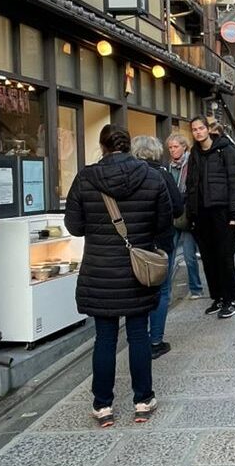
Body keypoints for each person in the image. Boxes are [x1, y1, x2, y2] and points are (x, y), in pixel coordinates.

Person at [65, 124, 171, 426]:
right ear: (128, 146)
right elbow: (164, 224)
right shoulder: (152, 176)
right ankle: (142, 400)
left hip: (100, 271)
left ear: (103, 147)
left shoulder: (86, 178)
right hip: (138, 270)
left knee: (105, 337)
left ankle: (103, 405)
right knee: (139, 334)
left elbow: (74, 226)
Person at [186, 117, 235, 319]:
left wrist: (234, 213)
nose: (198, 132)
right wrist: (191, 213)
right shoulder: (194, 153)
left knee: (224, 256)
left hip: (222, 211)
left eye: (201, 128)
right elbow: (191, 184)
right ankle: (217, 297)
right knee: (209, 258)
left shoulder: (224, 149)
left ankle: (230, 299)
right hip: (201, 213)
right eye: (194, 129)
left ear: (208, 129)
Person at [133, 136, 185, 359]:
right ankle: (155, 341)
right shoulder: (162, 173)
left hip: (134, 243)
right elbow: (177, 207)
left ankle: (138, 339)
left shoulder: (129, 175)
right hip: (161, 242)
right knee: (162, 290)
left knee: (137, 290)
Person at [165, 132, 204, 300]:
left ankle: (196, 288)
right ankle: (166, 291)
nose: (173, 150)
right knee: (168, 256)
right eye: (170, 148)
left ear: (184, 146)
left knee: (189, 255)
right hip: (172, 215)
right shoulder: (168, 167)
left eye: (175, 147)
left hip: (188, 214)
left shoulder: (192, 163)